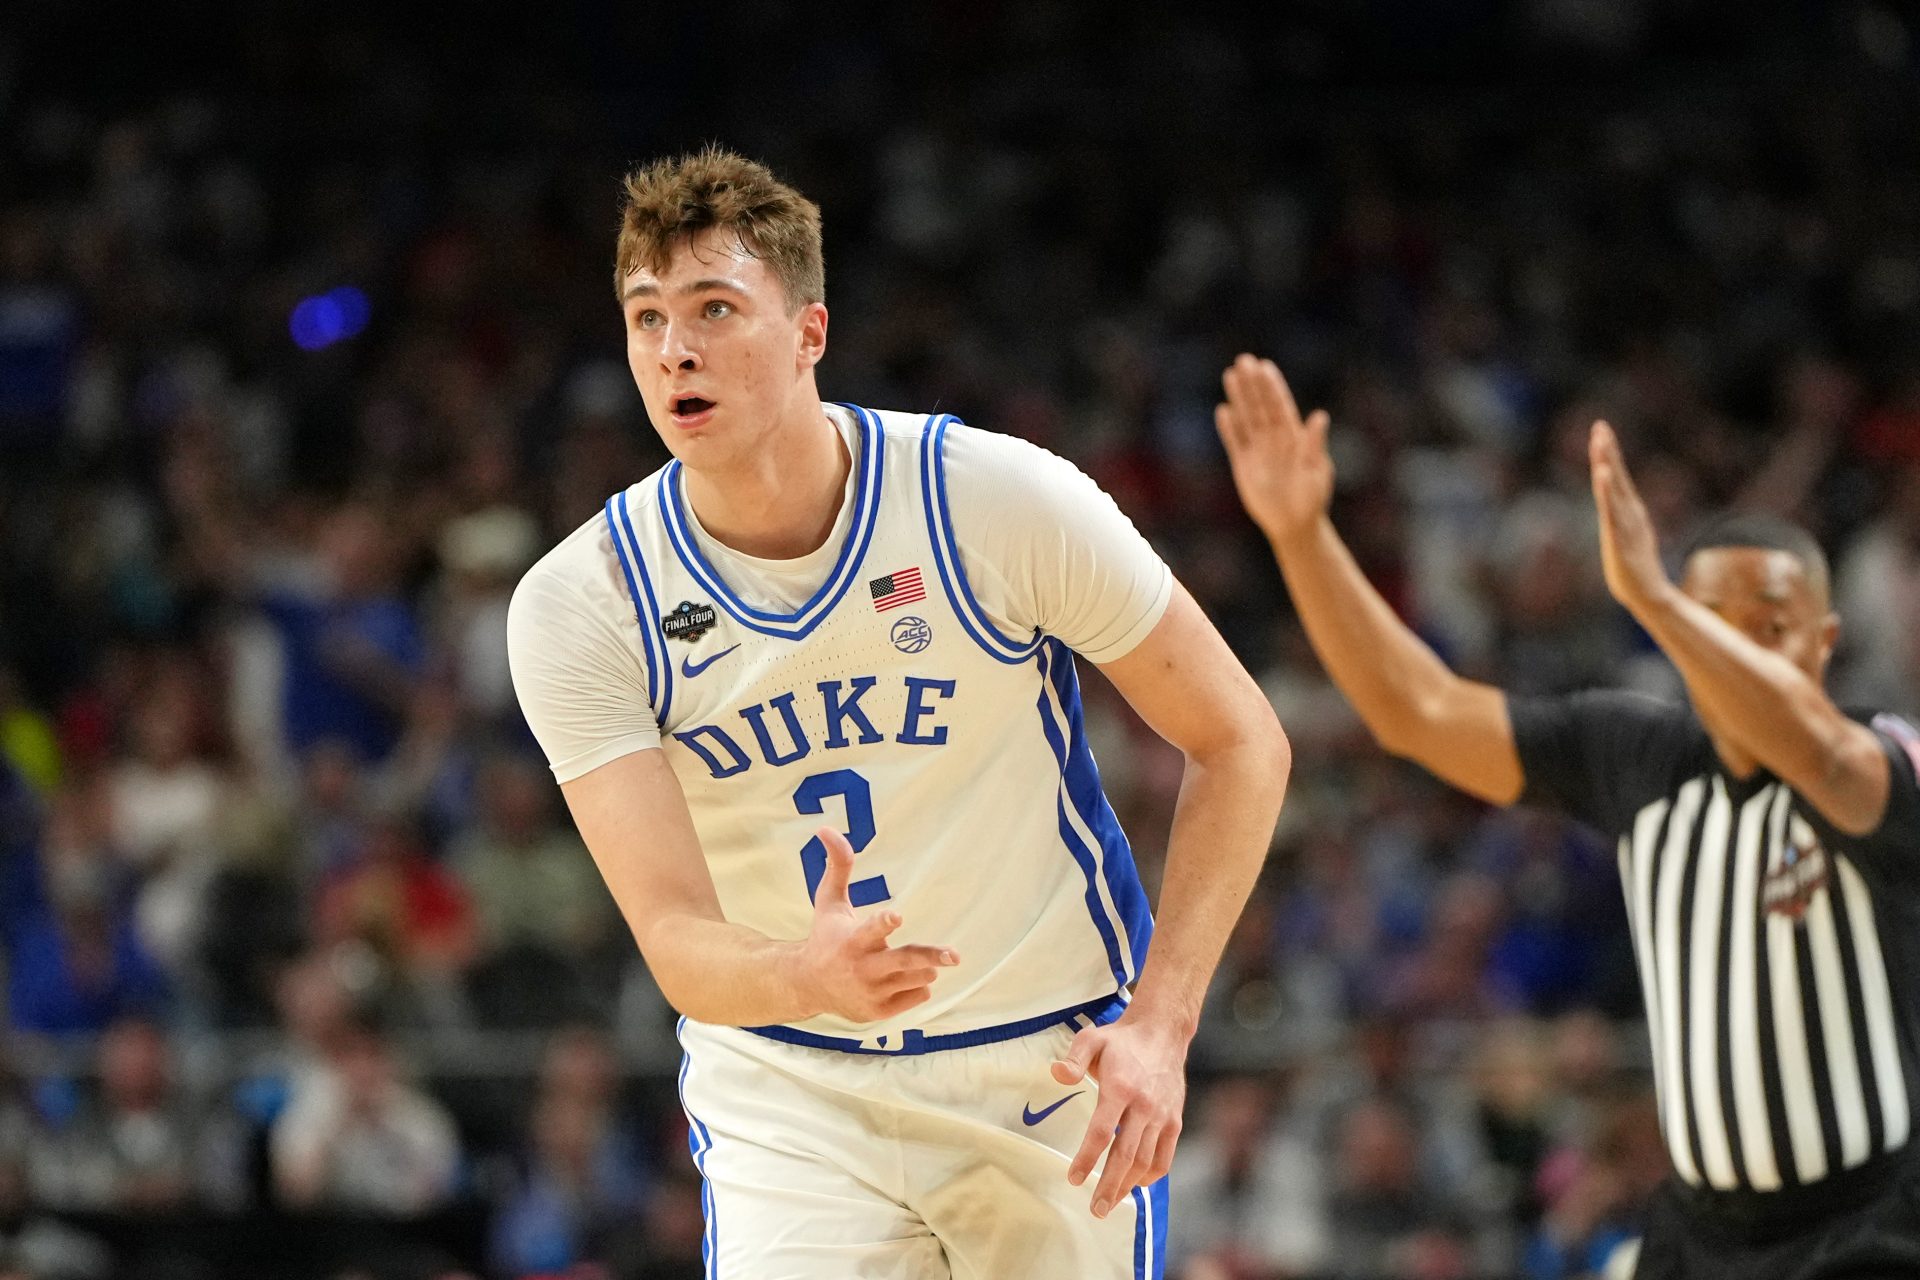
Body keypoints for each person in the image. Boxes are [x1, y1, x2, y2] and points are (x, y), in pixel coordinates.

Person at [507, 149, 1291, 1277]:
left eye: (715, 308)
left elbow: (1240, 738)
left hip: (1044, 1061)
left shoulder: (992, 499)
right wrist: (803, 978)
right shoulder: (585, 602)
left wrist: (1164, 1024)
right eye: (646, 317)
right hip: (792, 1079)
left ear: (810, 333)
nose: (673, 348)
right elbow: (674, 935)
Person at [1214, 354, 1920, 1278]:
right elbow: (1418, 710)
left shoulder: (1882, 751)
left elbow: (1819, 753)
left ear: (1827, 642)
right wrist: (1303, 537)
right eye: (1714, 619)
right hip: (1698, 1238)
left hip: (1866, 1236)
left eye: (1769, 623)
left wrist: (1664, 604)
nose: (1732, 644)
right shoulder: (1637, 754)